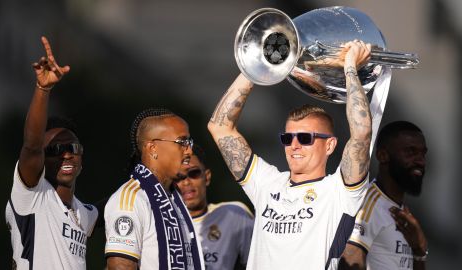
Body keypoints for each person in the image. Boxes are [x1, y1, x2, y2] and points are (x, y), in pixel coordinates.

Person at [208, 40, 373, 269]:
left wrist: (350, 67)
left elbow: (362, 133)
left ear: (330, 145)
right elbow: (220, 127)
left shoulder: (339, 191)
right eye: (288, 138)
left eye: (305, 138)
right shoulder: (266, 182)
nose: (294, 145)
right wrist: (258, 67)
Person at [5, 36, 98, 270]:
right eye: (56, 149)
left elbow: (114, 206)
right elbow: (32, 146)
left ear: (81, 158)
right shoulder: (32, 195)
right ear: (42, 160)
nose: (66, 155)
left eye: (72, 148)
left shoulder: (84, 214)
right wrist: (43, 89)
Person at [104, 108, 205, 270]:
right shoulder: (132, 199)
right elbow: (121, 266)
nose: (189, 151)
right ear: (152, 148)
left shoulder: (175, 199)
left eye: (189, 143)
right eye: (182, 142)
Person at [338, 121, 428, 270]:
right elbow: (349, 263)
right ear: (382, 155)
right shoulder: (367, 205)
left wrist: (419, 251)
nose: (421, 161)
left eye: (423, 153)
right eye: (411, 152)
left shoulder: (403, 214)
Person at [175, 144, 254, 270]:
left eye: (193, 173)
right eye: (178, 177)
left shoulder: (234, 215)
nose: (186, 182)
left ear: (207, 177)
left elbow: (260, 263)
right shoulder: (156, 223)